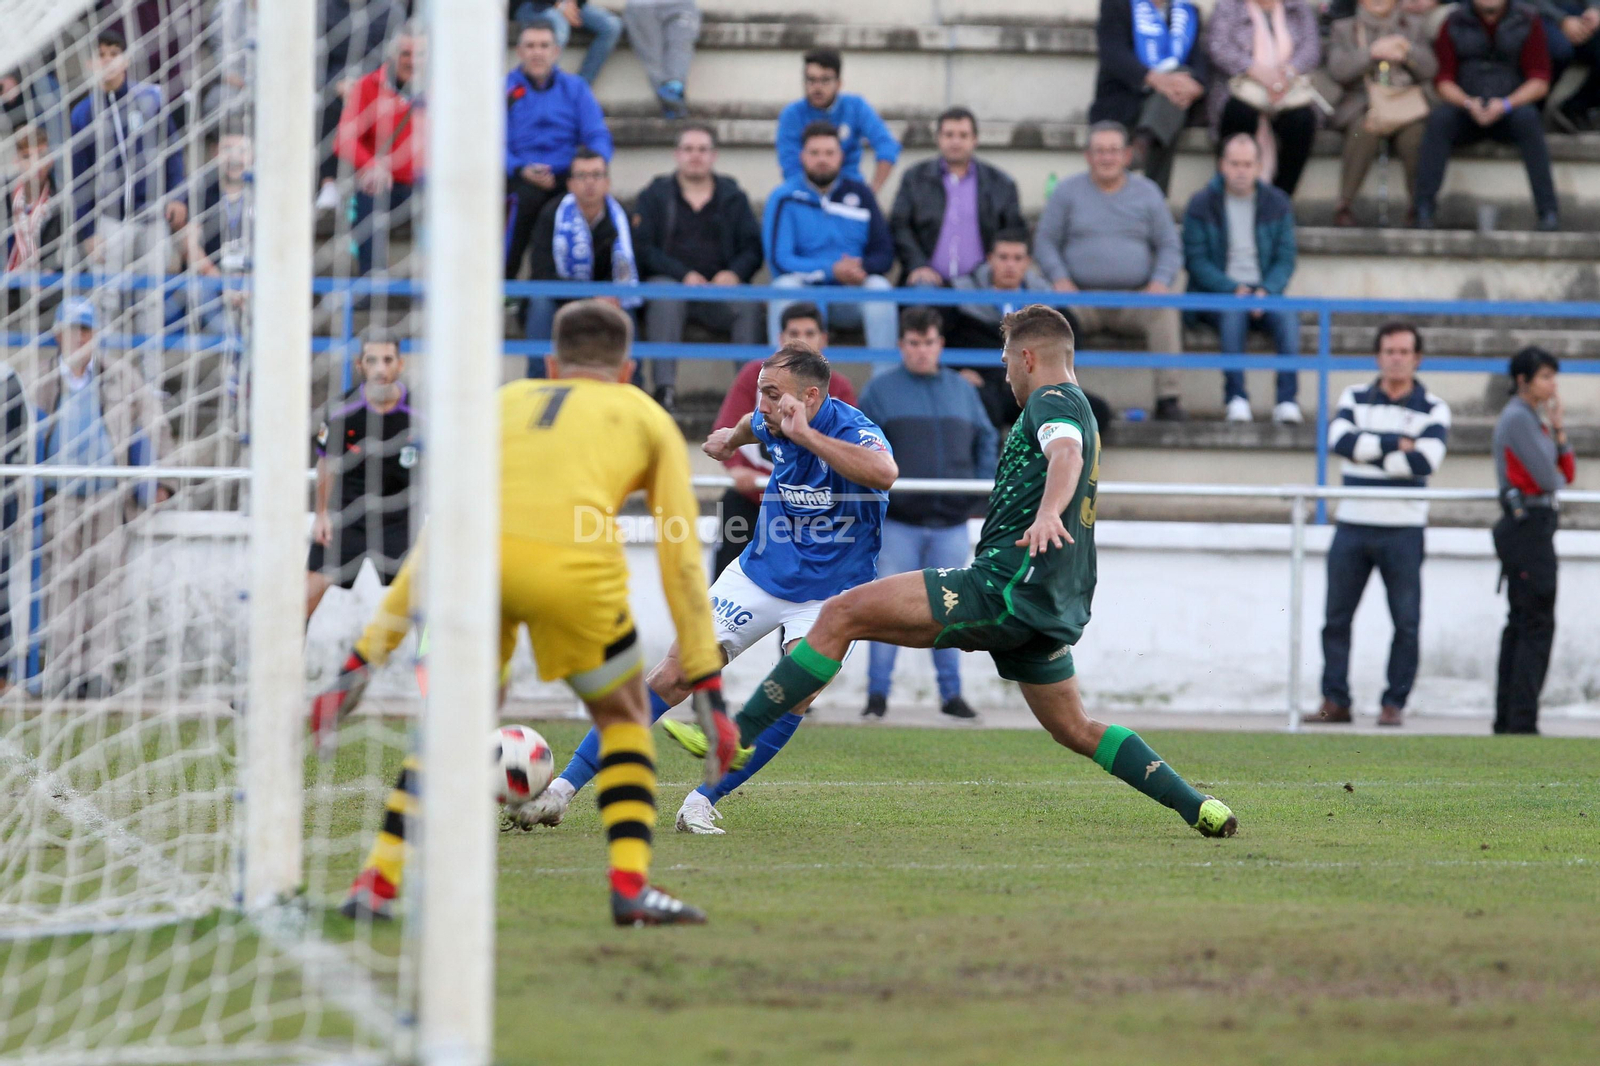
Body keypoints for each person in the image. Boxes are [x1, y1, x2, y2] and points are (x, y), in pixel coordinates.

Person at [699, 304, 1239, 838]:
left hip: (1001, 587)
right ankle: (1199, 806)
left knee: (841, 611)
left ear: (1028, 358)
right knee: (1076, 728)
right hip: (1048, 602)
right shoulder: (1082, 407)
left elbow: (1066, 455)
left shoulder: (1050, 400)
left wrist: (1049, 512)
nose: (1005, 376)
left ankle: (735, 733)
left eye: (1006, 362)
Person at [320, 300, 728, 926]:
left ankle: (377, 882)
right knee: (624, 718)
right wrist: (709, 690)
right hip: (576, 579)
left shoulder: (502, 403)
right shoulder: (645, 414)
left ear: (550, 364)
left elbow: (443, 529)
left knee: (452, 726)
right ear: (627, 370)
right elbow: (681, 561)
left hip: (480, 571)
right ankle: (629, 887)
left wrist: (364, 656)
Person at [509, 341, 895, 838]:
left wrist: (807, 437)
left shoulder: (855, 431)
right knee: (674, 674)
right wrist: (729, 439)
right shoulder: (771, 420)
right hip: (759, 574)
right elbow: (748, 425)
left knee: (796, 692)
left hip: (831, 595)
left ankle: (700, 803)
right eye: (760, 391)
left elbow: (885, 473)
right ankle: (560, 792)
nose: (761, 403)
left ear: (811, 397)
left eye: (771, 393)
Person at [857, 308, 996, 721]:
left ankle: (952, 696)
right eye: (914, 343)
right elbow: (861, 451)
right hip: (897, 524)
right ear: (901, 345)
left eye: (929, 342)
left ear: (941, 344)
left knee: (952, 612)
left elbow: (987, 438)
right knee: (884, 610)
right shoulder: (880, 391)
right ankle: (876, 698)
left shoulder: (962, 390)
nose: (922, 350)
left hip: (951, 522)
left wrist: (978, 492)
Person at [1311, 323, 1450, 728]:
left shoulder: (1435, 407)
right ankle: (1335, 701)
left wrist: (1368, 447)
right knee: (1336, 618)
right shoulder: (1353, 396)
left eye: (1404, 351)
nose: (1396, 358)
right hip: (1352, 523)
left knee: (1405, 622)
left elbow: (1425, 461)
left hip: (1404, 528)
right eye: (1389, 351)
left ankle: (1394, 703)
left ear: (1417, 358)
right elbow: (1340, 442)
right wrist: (1396, 444)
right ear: (1378, 356)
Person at [34, 298, 173, 699]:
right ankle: (62, 671)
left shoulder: (120, 376)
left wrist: (163, 480)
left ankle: (97, 673)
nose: (79, 338)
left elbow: (154, 424)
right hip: (60, 498)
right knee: (62, 584)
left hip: (108, 497)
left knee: (105, 585)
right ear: (57, 335)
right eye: (72, 331)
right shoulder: (41, 379)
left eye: (86, 330)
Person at [1033, 121, 1186, 421]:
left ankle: (1168, 398)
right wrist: (1060, 278)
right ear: (1087, 155)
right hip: (1080, 300)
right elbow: (1044, 241)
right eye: (1100, 151)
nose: (1107, 157)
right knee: (1048, 318)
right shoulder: (1066, 192)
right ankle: (1057, 399)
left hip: (1135, 300)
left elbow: (1169, 244)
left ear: (1127, 155)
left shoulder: (1148, 192)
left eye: (1114, 150)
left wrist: (1159, 281)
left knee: (1165, 312)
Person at [708, 303, 858, 580]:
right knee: (728, 579)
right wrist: (737, 469)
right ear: (780, 339)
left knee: (808, 589)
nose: (801, 341)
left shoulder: (839, 388)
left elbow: (849, 449)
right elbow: (729, 427)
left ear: (823, 339)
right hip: (754, 499)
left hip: (811, 505)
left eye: (809, 333)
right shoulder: (753, 376)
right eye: (794, 333)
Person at [69, 29, 188, 379]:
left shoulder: (150, 99)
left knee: (150, 302)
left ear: (126, 59)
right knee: (107, 302)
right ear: (91, 63)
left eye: (114, 53)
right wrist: (87, 232)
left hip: (151, 217)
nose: (108, 60)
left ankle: (151, 381)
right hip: (110, 221)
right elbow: (79, 179)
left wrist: (178, 195)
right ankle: (107, 380)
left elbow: (172, 150)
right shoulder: (83, 113)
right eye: (101, 54)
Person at [631, 123, 763, 409]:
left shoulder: (733, 196)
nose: (695, 156)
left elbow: (753, 247)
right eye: (688, 149)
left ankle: (752, 396)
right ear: (677, 154)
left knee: (749, 304)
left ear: (714, 155)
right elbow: (643, 249)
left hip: (720, 292)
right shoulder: (655, 195)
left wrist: (734, 273)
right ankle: (665, 390)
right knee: (665, 294)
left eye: (702, 149)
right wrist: (682, 275)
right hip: (671, 287)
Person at [1181, 133, 1303, 424]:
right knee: (1233, 313)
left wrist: (1265, 291)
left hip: (1264, 293)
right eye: (1234, 164)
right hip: (1217, 295)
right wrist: (1233, 289)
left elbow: (1286, 258)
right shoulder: (1201, 203)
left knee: (1288, 318)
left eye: (1247, 164)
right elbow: (1196, 261)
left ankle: (1287, 401)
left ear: (1259, 167)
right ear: (1222, 165)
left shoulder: (1277, 203)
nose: (1241, 171)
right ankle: (1236, 398)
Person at [305, 329, 419, 621]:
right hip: (347, 513)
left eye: (388, 360)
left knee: (427, 604)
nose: (380, 369)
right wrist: (321, 514)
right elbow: (326, 463)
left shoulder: (422, 413)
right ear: (360, 365)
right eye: (372, 360)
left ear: (400, 364)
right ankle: (288, 651)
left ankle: (428, 653)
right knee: (302, 602)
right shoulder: (341, 410)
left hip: (400, 518)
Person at [1415, 0, 1558, 230]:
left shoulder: (1527, 20)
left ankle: (1548, 212)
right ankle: (1423, 210)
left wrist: (1505, 104)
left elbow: (1540, 80)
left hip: (1510, 109)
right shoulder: (1454, 21)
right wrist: (1467, 103)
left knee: (1529, 119)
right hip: (1466, 109)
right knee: (1440, 119)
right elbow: (1443, 80)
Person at [1491, 346, 1574, 735]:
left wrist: (1559, 431)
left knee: (1524, 621)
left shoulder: (1533, 420)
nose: (1552, 385)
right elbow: (1549, 478)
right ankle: (1520, 720)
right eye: (1544, 377)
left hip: (1533, 526)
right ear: (1522, 380)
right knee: (1534, 622)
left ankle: (1511, 718)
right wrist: (1555, 460)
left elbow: (1564, 473)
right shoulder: (1518, 419)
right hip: (1528, 526)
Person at [763, 121, 896, 352]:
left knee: (880, 288)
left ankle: (885, 375)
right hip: (804, 296)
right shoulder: (784, 197)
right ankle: (780, 373)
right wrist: (830, 270)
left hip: (850, 295)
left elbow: (884, 252)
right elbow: (780, 260)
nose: (822, 159)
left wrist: (860, 268)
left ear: (841, 156)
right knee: (784, 286)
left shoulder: (861, 194)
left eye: (829, 153)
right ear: (802, 156)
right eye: (814, 153)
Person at [504, 21, 614, 284]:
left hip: (568, 173)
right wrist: (520, 168)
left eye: (544, 46)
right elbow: (490, 143)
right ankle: (504, 284)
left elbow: (598, 135)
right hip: (520, 174)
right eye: (530, 46)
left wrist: (587, 169)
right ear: (519, 51)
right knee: (523, 200)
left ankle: (593, 283)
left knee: (594, 194)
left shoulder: (576, 88)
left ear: (556, 51)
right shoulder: (503, 89)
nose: (537, 52)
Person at [1325, 0, 1439, 227]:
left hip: (1405, 105)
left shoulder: (1413, 26)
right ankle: (1345, 204)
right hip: (1363, 105)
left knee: (1416, 136)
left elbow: (1431, 69)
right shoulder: (1344, 28)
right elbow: (1338, 70)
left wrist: (1407, 52)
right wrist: (1372, 53)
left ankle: (1417, 206)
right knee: (1361, 131)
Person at [524, 148, 639, 367]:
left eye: (596, 175)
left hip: (608, 298)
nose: (589, 183)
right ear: (570, 184)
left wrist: (607, 295)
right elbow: (542, 273)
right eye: (582, 176)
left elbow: (631, 269)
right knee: (540, 301)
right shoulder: (551, 215)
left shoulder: (622, 218)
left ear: (607, 182)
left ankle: (632, 381)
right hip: (562, 298)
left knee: (627, 302)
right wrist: (589, 296)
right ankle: (539, 379)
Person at [889, 107, 1024, 287]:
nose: (955, 141)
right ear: (938, 138)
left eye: (963, 135)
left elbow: (1012, 233)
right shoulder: (915, 178)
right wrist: (918, 264)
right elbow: (899, 225)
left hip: (982, 285)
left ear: (975, 139)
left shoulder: (1000, 183)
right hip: (927, 283)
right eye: (949, 134)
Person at [334, 23, 424, 286]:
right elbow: (343, 140)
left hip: (425, 183)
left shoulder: (440, 90)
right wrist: (372, 165)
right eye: (405, 54)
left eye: (419, 54)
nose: (412, 61)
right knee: (369, 192)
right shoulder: (368, 85)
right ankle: (372, 284)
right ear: (392, 55)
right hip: (384, 182)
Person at [1090, 0, 1210, 192]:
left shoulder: (1187, 11)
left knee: (1174, 94)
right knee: (1170, 106)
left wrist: (1196, 87)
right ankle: (1155, 197)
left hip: (1172, 102)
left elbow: (1199, 61)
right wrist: (1155, 79)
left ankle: (1143, 144)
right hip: (1126, 97)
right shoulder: (1118, 5)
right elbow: (1113, 53)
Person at [1205, 0, 1322, 196]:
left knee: (1302, 120)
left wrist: (1287, 73)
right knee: (1239, 113)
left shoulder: (1297, 8)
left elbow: (1311, 50)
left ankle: (1280, 198)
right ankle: (1233, 195)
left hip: (1289, 90)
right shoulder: (1229, 6)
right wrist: (1255, 70)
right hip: (1240, 87)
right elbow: (1219, 47)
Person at [775, 48, 901, 192]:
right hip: (805, 193)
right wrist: (814, 199)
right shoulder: (792, 114)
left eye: (825, 80)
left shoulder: (856, 107)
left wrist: (872, 190)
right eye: (811, 80)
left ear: (839, 83)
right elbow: (790, 166)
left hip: (850, 190)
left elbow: (887, 145)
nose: (817, 87)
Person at [4, 125, 62, 317]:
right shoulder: (5, 199)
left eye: (41, 155)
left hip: (44, 294)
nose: (36, 163)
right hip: (7, 289)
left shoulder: (61, 203)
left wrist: (52, 269)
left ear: (51, 160)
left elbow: (71, 250)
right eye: (27, 157)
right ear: (16, 161)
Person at [511, 1, 624, 85]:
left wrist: (571, 3)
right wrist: (560, 5)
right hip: (532, 5)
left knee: (611, 26)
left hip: (568, 5)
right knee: (559, 25)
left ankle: (580, 89)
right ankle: (544, 87)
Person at [624, 0, 701, 117]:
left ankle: (673, 99)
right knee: (657, 59)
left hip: (677, 5)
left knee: (666, 56)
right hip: (641, 6)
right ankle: (674, 103)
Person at [1536, 0, 1600, 130]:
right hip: (1535, 12)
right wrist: (1561, 20)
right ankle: (1534, 110)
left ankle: (1577, 107)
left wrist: (1595, 8)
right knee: (1560, 50)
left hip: (1576, 10)